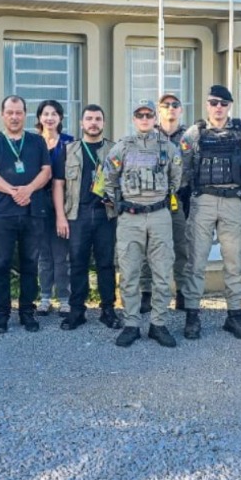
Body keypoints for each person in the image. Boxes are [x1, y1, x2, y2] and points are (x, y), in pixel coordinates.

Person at [179, 85, 241, 341]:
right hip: (203, 200)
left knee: (233, 262)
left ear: (229, 106)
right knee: (196, 261)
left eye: (223, 104)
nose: (218, 108)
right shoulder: (194, 133)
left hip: (232, 202)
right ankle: (192, 316)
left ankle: (234, 316)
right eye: (214, 103)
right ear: (207, 105)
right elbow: (183, 167)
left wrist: (240, 186)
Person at [103, 100, 182, 348]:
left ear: (155, 117)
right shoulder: (122, 147)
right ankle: (132, 324)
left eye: (149, 114)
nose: (145, 118)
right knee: (129, 273)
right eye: (140, 115)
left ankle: (158, 324)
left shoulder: (168, 148)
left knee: (161, 272)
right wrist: (122, 204)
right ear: (134, 118)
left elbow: (176, 179)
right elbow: (108, 179)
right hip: (130, 217)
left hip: (159, 215)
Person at [0, 95, 52, 334]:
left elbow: (47, 171)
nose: (14, 116)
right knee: (1, 264)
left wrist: (28, 189)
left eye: (19, 112)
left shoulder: (37, 141)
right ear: (2, 114)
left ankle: (27, 313)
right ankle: (2, 315)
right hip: (3, 212)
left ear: (25, 114)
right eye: (9, 112)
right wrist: (13, 191)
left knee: (30, 264)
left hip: (33, 211)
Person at [52, 105, 120, 331]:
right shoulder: (68, 149)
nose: (93, 123)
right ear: (81, 123)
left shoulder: (114, 149)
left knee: (106, 264)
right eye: (89, 119)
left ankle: (108, 310)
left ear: (103, 123)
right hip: (77, 214)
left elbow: (123, 181)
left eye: (98, 119)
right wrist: (61, 216)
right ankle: (77, 311)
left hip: (105, 215)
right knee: (78, 264)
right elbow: (58, 184)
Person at [139, 92, 191, 314]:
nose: (170, 108)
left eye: (175, 105)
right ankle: (146, 294)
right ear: (158, 111)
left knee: (182, 248)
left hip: (181, 199)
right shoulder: (147, 134)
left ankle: (182, 293)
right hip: (152, 200)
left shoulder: (191, 137)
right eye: (165, 105)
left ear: (180, 110)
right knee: (148, 248)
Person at [36, 100, 74, 315]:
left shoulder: (69, 143)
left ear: (60, 118)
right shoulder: (31, 142)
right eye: (45, 113)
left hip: (63, 204)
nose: (49, 118)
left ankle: (64, 298)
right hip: (37, 205)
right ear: (40, 118)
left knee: (61, 254)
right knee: (43, 255)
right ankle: (44, 298)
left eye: (54, 114)